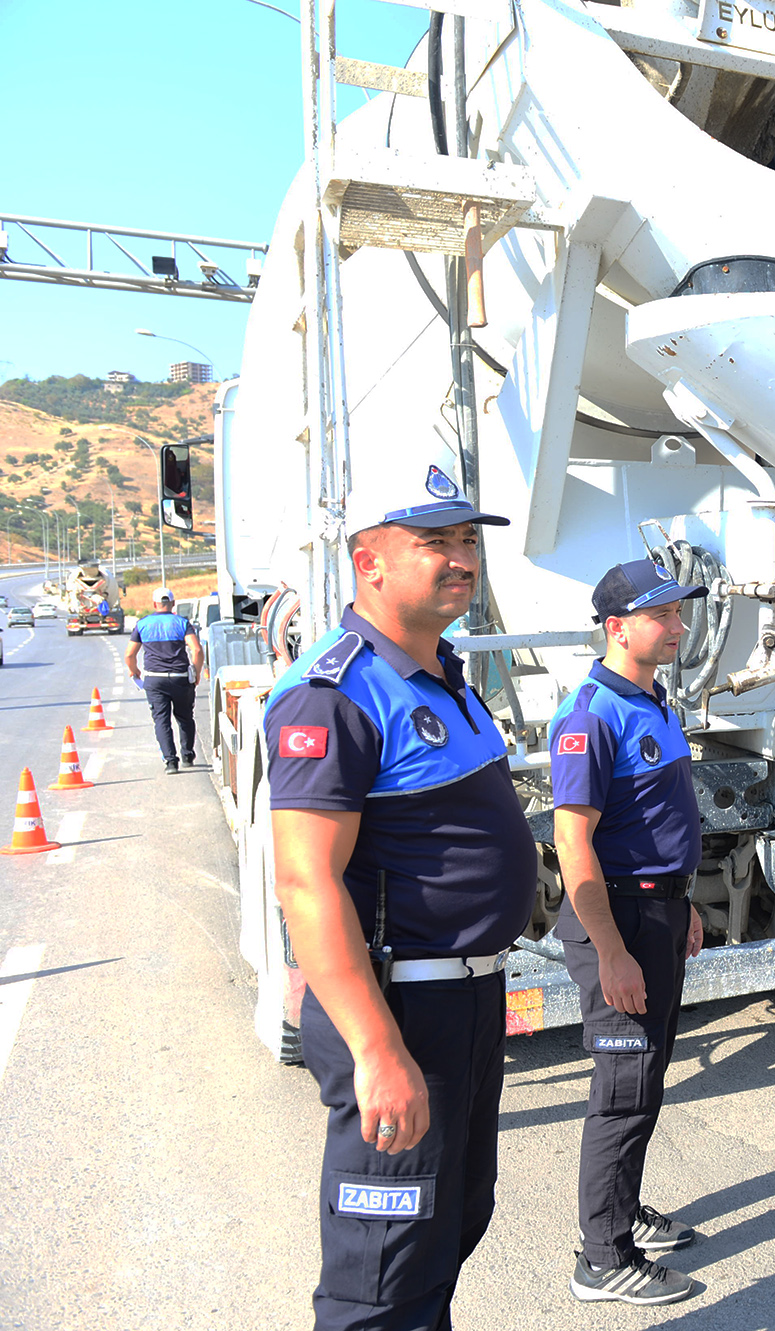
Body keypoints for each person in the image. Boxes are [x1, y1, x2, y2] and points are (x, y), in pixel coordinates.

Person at [263, 451, 535, 1331]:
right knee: (380, 1274)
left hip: (464, 1003)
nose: (461, 558)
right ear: (369, 562)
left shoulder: (444, 672)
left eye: (468, 539)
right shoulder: (331, 697)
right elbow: (307, 881)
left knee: (447, 1228)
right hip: (399, 1010)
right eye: (434, 541)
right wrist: (378, 1050)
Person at [551, 558, 711, 1306]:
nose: (679, 627)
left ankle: (623, 1216)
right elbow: (574, 843)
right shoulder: (591, 714)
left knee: (645, 1078)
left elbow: (660, 822)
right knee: (623, 1088)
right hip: (615, 917)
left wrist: (686, 906)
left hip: (657, 910)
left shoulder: (655, 699)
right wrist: (612, 952)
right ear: (618, 627)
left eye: (680, 614)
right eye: (664, 616)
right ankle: (602, 1257)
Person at [126, 587, 206, 772]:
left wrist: (135, 671)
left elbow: (130, 655)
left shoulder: (142, 624)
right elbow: (197, 650)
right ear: (173, 603)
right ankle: (187, 755)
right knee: (185, 718)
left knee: (161, 720)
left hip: (154, 680)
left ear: (154, 604)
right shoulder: (182, 622)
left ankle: (171, 762)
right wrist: (196, 672)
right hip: (180, 678)